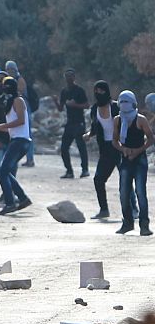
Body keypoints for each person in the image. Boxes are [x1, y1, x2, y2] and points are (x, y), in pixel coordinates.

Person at [83, 81, 126, 219]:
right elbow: (95, 127)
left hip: (119, 146)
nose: (98, 94)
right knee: (98, 179)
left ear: (106, 92)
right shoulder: (94, 109)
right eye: (96, 91)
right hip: (106, 148)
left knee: (125, 179)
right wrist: (89, 135)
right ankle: (104, 210)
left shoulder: (115, 107)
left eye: (101, 91)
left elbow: (125, 124)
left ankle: (133, 210)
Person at [113, 91, 154, 236]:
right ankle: (128, 223)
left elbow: (150, 138)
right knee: (124, 193)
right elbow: (115, 140)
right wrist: (123, 149)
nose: (124, 104)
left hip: (140, 160)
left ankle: (144, 225)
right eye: (121, 101)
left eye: (127, 101)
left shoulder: (141, 120)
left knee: (140, 192)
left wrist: (138, 151)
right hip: (125, 159)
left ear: (133, 103)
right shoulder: (118, 120)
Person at [0, 77, 33, 215]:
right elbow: (11, 128)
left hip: (21, 141)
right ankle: (22, 198)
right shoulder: (9, 103)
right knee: (5, 172)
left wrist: (1, 126)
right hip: (15, 140)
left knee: (2, 172)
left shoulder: (18, 100)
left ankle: (10, 203)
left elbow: (20, 121)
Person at [53, 68, 90, 178]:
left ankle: (85, 170)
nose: (68, 78)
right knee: (64, 148)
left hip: (79, 122)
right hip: (69, 123)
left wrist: (76, 105)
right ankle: (69, 171)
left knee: (81, 146)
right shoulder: (64, 91)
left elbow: (87, 105)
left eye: (70, 76)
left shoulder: (79, 90)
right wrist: (55, 101)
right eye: (66, 76)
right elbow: (60, 108)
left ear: (74, 77)